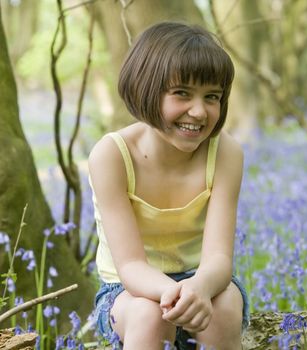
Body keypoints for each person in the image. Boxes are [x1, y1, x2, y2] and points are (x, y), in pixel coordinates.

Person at [89, 21, 249, 350]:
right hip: (128, 290)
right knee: (150, 317)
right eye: (182, 93)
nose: (199, 111)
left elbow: (219, 258)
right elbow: (130, 265)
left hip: (204, 281)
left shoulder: (225, 153)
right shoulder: (112, 155)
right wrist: (171, 296)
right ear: (146, 89)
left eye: (212, 97)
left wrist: (200, 288)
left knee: (225, 309)